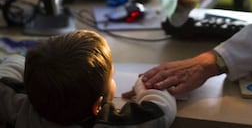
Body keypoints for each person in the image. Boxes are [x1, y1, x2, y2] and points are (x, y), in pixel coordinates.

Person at [0, 30, 176, 127]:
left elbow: (8, 68)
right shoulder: (106, 124)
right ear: (97, 106)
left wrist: (38, 67)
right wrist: (145, 82)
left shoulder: (17, 105)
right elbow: (160, 110)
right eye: (112, 77)